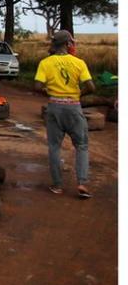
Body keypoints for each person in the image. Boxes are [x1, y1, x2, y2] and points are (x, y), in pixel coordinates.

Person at [34, 29, 95, 198]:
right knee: (81, 146)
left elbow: (37, 87)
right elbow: (91, 87)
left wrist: (50, 93)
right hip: (74, 107)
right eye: (72, 42)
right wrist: (78, 95)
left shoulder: (45, 63)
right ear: (68, 44)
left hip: (54, 107)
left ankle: (57, 186)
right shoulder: (79, 63)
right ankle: (82, 183)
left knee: (54, 147)